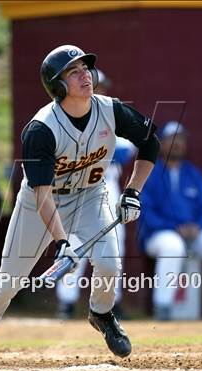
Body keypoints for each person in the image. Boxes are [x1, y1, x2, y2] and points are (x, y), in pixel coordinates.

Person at [0, 44, 159, 362]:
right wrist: (62, 242)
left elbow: (150, 142)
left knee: (107, 263)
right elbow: (42, 194)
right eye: (73, 72)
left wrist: (133, 190)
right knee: (10, 280)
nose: (85, 75)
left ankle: (101, 314)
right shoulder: (41, 129)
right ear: (57, 86)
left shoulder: (110, 110)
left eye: (85, 68)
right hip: (41, 204)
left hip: (90, 196)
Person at [56, 69, 136, 319]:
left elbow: (128, 148)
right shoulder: (65, 117)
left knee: (114, 246)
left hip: (109, 187)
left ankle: (111, 302)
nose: (98, 91)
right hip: (79, 189)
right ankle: (66, 302)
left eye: (100, 86)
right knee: (76, 244)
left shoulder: (110, 114)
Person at [139, 121, 202, 320]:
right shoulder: (150, 172)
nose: (177, 144)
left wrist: (199, 226)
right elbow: (145, 211)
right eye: (171, 139)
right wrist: (173, 227)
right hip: (159, 234)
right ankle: (163, 307)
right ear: (162, 143)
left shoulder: (192, 173)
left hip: (194, 232)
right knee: (173, 247)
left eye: (181, 139)